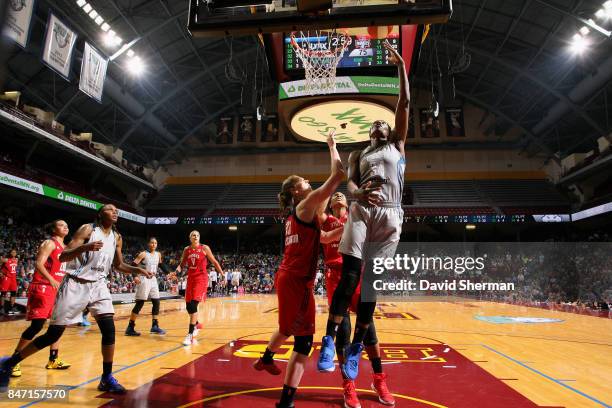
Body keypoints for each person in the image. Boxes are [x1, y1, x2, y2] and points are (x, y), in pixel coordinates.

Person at [318, 40, 409, 382]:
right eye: (372, 125)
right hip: (361, 211)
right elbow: (350, 186)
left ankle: (355, 350)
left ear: (389, 130)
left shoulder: (397, 145)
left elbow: (406, 102)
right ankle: (329, 340)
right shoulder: (358, 155)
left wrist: (400, 67)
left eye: (381, 123)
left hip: (391, 214)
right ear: (369, 134)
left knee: (371, 285)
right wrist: (356, 195)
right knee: (351, 275)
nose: (377, 125)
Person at [0, 204, 153, 393]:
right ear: (100, 214)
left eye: (116, 210)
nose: (115, 212)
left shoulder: (117, 237)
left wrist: (136, 270)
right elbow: (63, 256)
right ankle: (9, 363)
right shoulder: (88, 229)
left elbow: (119, 265)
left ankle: (106, 378)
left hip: (99, 285)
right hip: (75, 284)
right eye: (109, 209)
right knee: (53, 334)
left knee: (109, 329)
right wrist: (85, 247)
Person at [253, 130, 345, 408]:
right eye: (304, 180)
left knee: (290, 329)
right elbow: (338, 174)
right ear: (296, 190)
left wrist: (349, 227)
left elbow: (326, 238)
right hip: (297, 280)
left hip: (290, 277)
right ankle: (285, 402)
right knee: (303, 342)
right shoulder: (305, 206)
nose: (308, 180)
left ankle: (267, 358)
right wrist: (332, 145)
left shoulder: (298, 215)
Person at [319, 193, 395, 407]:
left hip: (358, 274)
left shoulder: (355, 214)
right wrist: (328, 192)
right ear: (331, 204)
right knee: (343, 335)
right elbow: (318, 220)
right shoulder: (326, 221)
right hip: (336, 278)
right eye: (335, 195)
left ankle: (379, 380)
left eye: (342, 193)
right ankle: (348, 385)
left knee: (369, 333)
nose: (339, 195)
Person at [10, 220, 72, 378]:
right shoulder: (49, 243)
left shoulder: (66, 248)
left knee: (58, 325)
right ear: (53, 229)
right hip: (43, 286)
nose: (65, 227)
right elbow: (38, 263)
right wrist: (51, 279)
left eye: (66, 225)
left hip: (57, 289)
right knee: (37, 326)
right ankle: (14, 360)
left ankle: (53, 359)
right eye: (61, 225)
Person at [172, 231, 223, 346]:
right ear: (190, 238)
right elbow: (182, 264)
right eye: (193, 235)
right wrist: (175, 272)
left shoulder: (204, 248)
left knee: (193, 305)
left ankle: (190, 335)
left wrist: (222, 274)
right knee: (188, 306)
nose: (195, 236)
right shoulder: (187, 250)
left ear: (199, 237)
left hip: (201, 278)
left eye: (197, 235)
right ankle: (197, 324)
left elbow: (214, 261)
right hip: (191, 279)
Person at [125, 237, 166, 336]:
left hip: (153, 279)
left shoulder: (158, 254)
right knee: (140, 303)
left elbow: (161, 266)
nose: (154, 244)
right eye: (152, 243)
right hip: (144, 279)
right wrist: (135, 276)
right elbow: (133, 265)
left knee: (156, 302)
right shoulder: (143, 254)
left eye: (155, 243)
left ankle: (154, 326)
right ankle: (130, 327)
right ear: (148, 244)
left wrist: (169, 273)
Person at [0, 249, 19, 315]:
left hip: (13, 278)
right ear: (10, 253)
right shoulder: (6, 259)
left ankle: (12, 307)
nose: (14, 253)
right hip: (6, 278)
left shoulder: (16, 260)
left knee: (13, 293)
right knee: (3, 293)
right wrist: (1, 273)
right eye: (12, 252)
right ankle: (1, 308)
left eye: (15, 252)